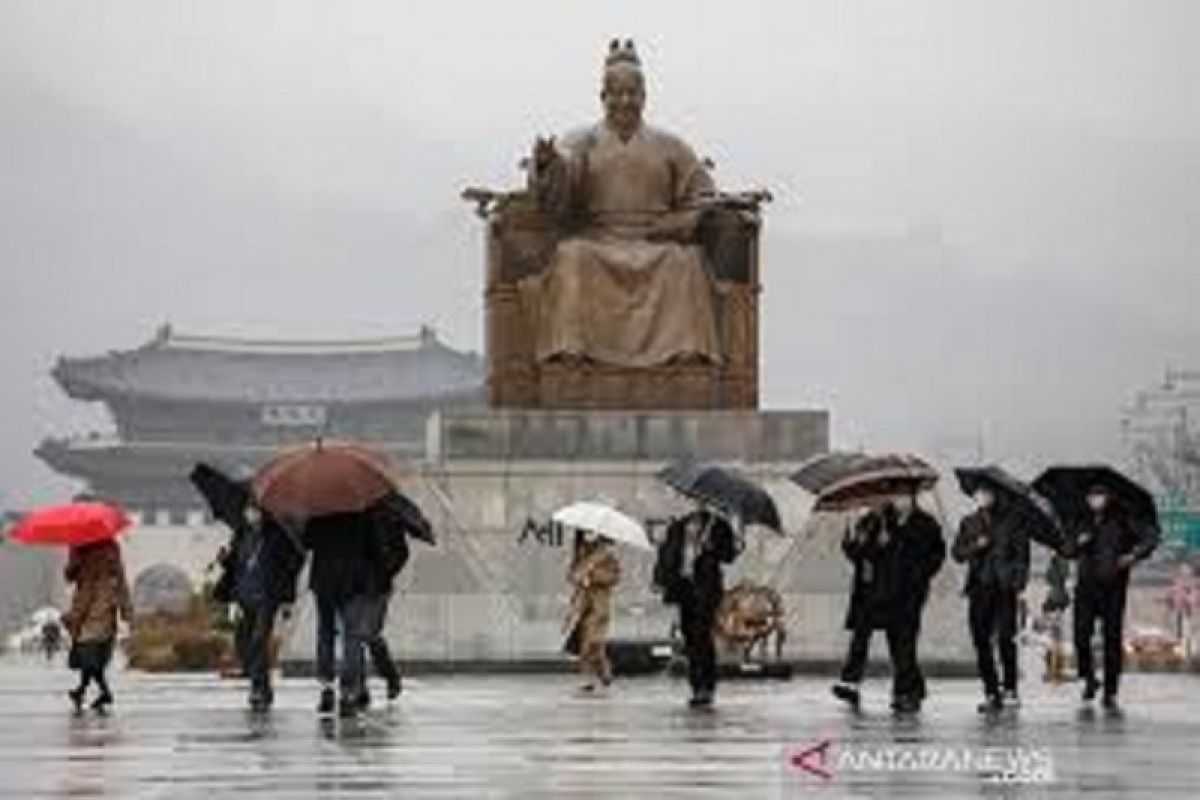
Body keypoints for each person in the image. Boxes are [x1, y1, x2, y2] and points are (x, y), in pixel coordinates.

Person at [523, 39, 722, 368]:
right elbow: (557, 188)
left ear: (644, 97)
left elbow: (703, 194)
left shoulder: (670, 146)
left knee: (685, 263)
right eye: (617, 93)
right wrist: (547, 165)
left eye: (633, 93)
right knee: (571, 257)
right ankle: (572, 354)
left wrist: (684, 220)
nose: (625, 101)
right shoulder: (579, 142)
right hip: (598, 240)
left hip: (653, 241)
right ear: (603, 97)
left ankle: (686, 355)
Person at [831, 492, 946, 713]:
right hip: (876, 591)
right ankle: (854, 682)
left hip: (908, 593)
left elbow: (936, 555)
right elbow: (861, 555)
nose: (897, 501)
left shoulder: (926, 524)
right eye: (895, 496)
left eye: (902, 496)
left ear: (912, 498)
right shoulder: (877, 520)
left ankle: (905, 692)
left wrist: (920, 575)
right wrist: (851, 537)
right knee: (864, 637)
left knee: (903, 643)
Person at [1060, 485, 1158, 709]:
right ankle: (1089, 678)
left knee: (1111, 639)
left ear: (1108, 497)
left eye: (1100, 495)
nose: (1095, 500)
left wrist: (1132, 555)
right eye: (1091, 496)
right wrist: (1078, 542)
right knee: (1080, 636)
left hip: (1113, 586)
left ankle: (1111, 691)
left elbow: (1150, 539)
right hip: (1085, 587)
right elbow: (1065, 549)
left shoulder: (1122, 519)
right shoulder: (1080, 521)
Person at [306, 510, 402, 718]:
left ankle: (327, 686)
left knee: (326, 633)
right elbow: (372, 546)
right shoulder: (362, 511)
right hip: (350, 581)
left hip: (324, 579)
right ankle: (348, 692)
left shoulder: (320, 508)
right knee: (352, 635)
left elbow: (307, 541)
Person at [951, 486, 1031, 712]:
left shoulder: (1013, 522)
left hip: (1004, 589)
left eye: (987, 492)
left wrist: (1017, 582)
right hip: (979, 587)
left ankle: (1010, 688)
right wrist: (976, 545)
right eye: (979, 493)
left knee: (1006, 638)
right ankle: (991, 690)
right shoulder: (969, 522)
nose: (983, 496)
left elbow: (1022, 556)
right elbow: (957, 553)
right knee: (981, 640)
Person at [653, 509, 738, 708]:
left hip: (706, 588)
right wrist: (660, 579)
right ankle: (695, 683)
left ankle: (706, 685)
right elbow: (666, 554)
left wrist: (712, 548)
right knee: (689, 635)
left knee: (702, 633)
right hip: (683, 587)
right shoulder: (678, 526)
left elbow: (729, 556)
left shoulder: (717, 525)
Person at [231, 507, 306, 712]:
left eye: (255, 510)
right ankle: (261, 684)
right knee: (249, 640)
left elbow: (294, 562)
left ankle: (258, 687)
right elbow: (237, 562)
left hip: (268, 594)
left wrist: (287, 595)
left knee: (259, 637)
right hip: (246, 594)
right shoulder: (243, 533)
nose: (250, 514)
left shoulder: (278, 535)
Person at [62, 539, 132, 713]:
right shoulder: (77, 547)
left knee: (89, 650)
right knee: (88, 652)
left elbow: (121, 578)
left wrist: (125, 608)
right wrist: (75, 561)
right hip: (83, 606)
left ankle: (98, 691)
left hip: (104, 605)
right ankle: (86, 690)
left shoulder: (111, 547)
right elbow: (69, 576)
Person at [564, 530, 621, 692]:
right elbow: (571, 575)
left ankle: (603, 671)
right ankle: (589, 678)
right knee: (585, 642)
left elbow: (614, 577)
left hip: (600, 604)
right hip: (583, 603)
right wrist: (579, 577)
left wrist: (593, 577)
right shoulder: (581, 553)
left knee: (594, 641)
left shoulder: (607, 555)